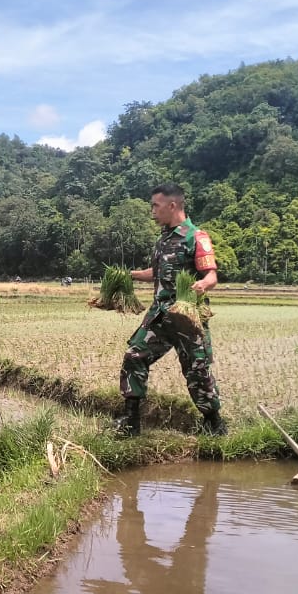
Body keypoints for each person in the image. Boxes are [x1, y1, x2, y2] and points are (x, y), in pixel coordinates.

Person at [116, 183, 224, 437]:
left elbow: (211, 275)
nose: (152, 211)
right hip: (160, 316)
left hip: (186, 317)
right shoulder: (163, 239)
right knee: (134, 356)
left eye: (156, 206)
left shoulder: (196, 237)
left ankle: (214, 423)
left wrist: (202, 285)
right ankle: (131, 422)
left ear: (172, 205)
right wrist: (129, 275)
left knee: (197, 369)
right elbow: (157, 273)